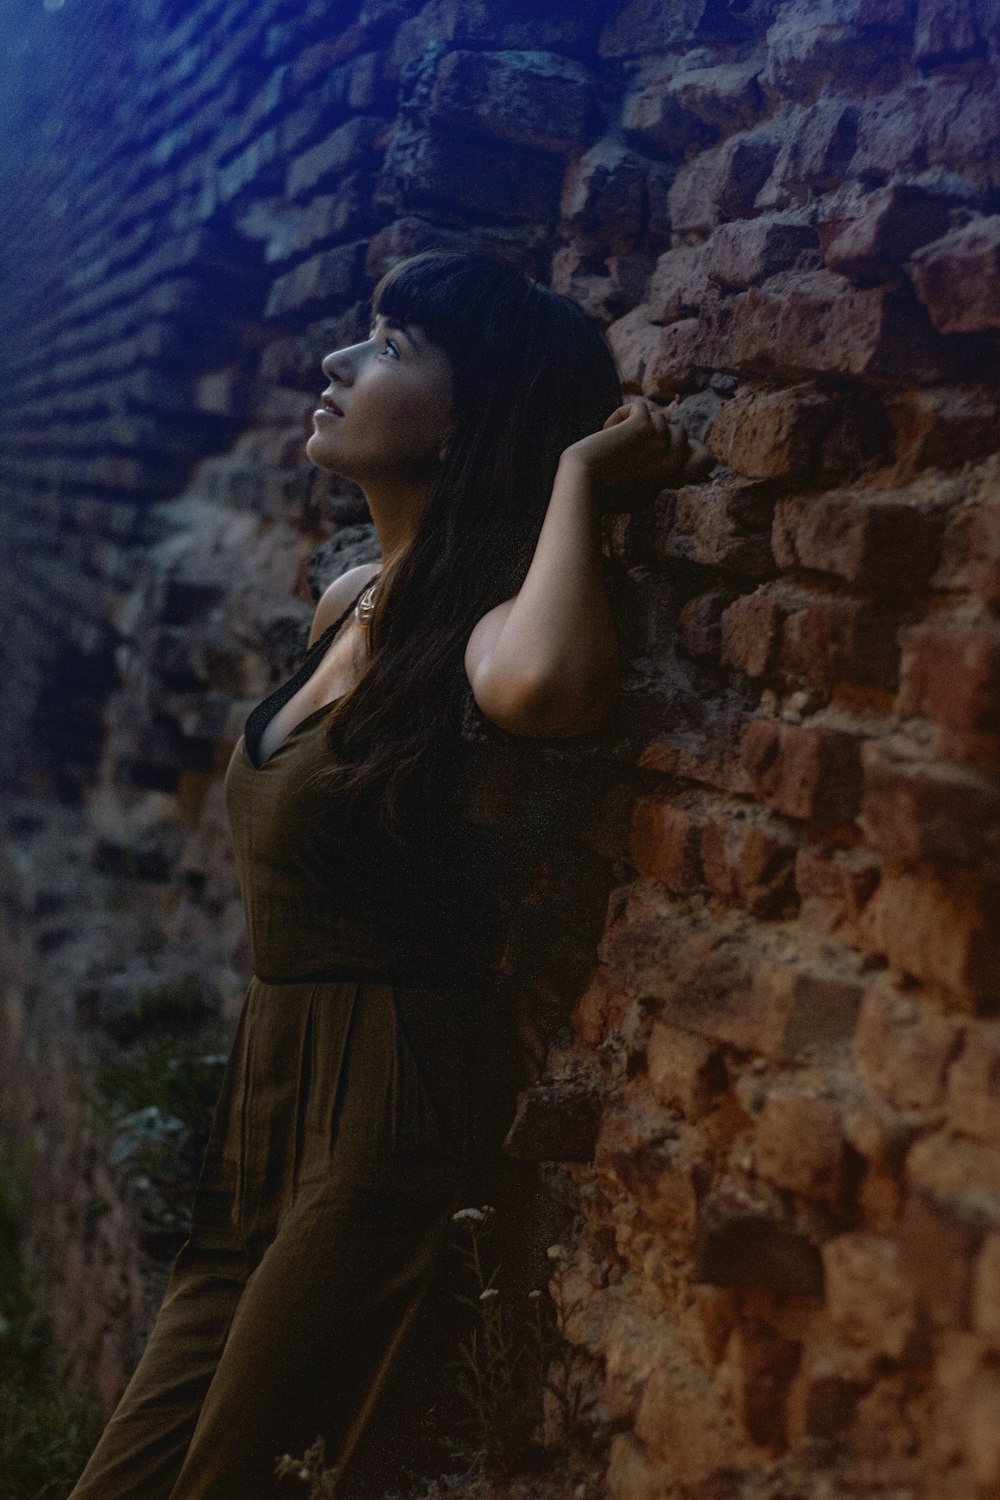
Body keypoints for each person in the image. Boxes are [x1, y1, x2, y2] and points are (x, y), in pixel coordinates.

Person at [68, 250, 708, 1499]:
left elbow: (548, 688)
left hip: (392, 1104)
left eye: (392, 346)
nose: (338, 363)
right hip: (270, 1085)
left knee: (240, 1472)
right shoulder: (348, 601)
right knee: (131, 1468)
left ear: (471, 417)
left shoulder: (484, 635)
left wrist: (574, 473)